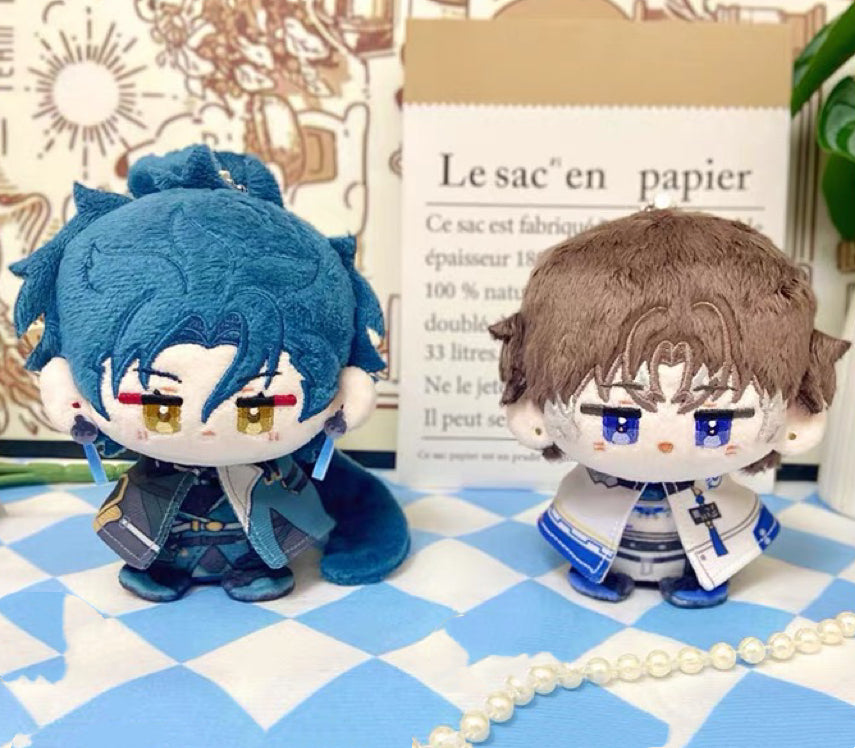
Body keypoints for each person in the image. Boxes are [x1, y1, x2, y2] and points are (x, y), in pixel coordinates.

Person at [12, 145, 409, 602]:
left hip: (251, 533)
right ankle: (162, 567)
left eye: (257, 408)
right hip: (169, 535)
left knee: (257, 541)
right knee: (158, 537)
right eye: (158, 406)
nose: (205, 430)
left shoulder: (298, 446)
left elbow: (353, 493)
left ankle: (251, 566)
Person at [490, 208, 848, 608]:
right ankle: (598, 568)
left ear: (796, 412)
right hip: (615, 541)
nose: (664, 444)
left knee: (710, 541)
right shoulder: (593, 482)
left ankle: (701, 574)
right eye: (617, 420)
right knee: (596, 534)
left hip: (697, 533)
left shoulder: (713, 484)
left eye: (715, 423)